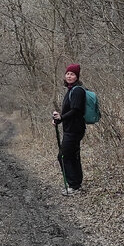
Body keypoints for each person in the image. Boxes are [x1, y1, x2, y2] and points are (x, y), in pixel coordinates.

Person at [52, 63, 85, 195]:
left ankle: (73, 185)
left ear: (77, 76)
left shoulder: (77, 91)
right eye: (68, 74)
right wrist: (58, 119)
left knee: (63, 156)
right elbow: (68, 111)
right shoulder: (71, 90)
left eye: (72, 74)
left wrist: (61, 118)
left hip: (74, 130)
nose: (69, 76)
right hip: (71, 129)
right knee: (73, 156)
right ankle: (76, 183)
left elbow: (76, 111)